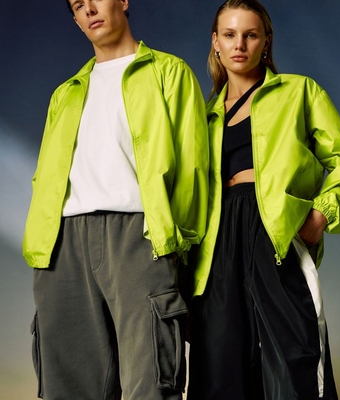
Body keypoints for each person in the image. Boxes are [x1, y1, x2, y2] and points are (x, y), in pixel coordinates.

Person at [23, 1, 209, 399]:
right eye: (78, 5)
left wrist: (177, 246)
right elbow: (46, 176)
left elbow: (193, 168)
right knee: (66, 387)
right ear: (76, 20)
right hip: (63, 245)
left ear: (123, 0)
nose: (89, 9)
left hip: (140, 236)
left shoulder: (169, 72)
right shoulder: (65, 94)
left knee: (151, 381)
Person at [188, 1, 340, 399]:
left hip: (273, 234)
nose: (240, 45)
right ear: (216, 42)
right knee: (218, 370)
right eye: (230, 35)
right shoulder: (203, 116)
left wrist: (320, 216)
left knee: (293, 364)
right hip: (217, 243)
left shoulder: (299, 92)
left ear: (266, 42)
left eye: (250, 35)